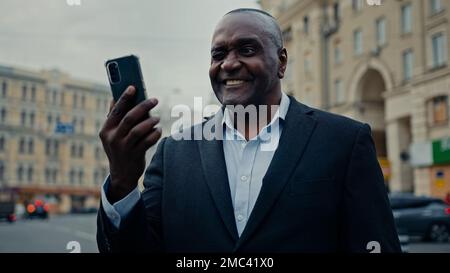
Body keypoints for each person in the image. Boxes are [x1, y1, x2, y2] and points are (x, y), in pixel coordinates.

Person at [96, 8, 401, 252]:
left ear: (281, 62)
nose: (229, 64)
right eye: (218, 54)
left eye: (246, 49)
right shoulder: (174, 152)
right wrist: (122, 180)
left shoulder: (344, 141)